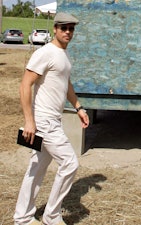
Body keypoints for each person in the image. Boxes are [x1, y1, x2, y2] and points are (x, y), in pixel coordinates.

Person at [14, 12, 89, 225]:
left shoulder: (63, 55)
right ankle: (52, 215)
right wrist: (30, 121)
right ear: (55, 29)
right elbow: (25, 84)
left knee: (36, 169)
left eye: (71, 28)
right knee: (70, 163)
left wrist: (79, 107)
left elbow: (66, 85)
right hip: (44, 121)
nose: (68, 32)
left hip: (53, 119)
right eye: (64, 28)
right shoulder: (45, 53)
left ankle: (23, 218)